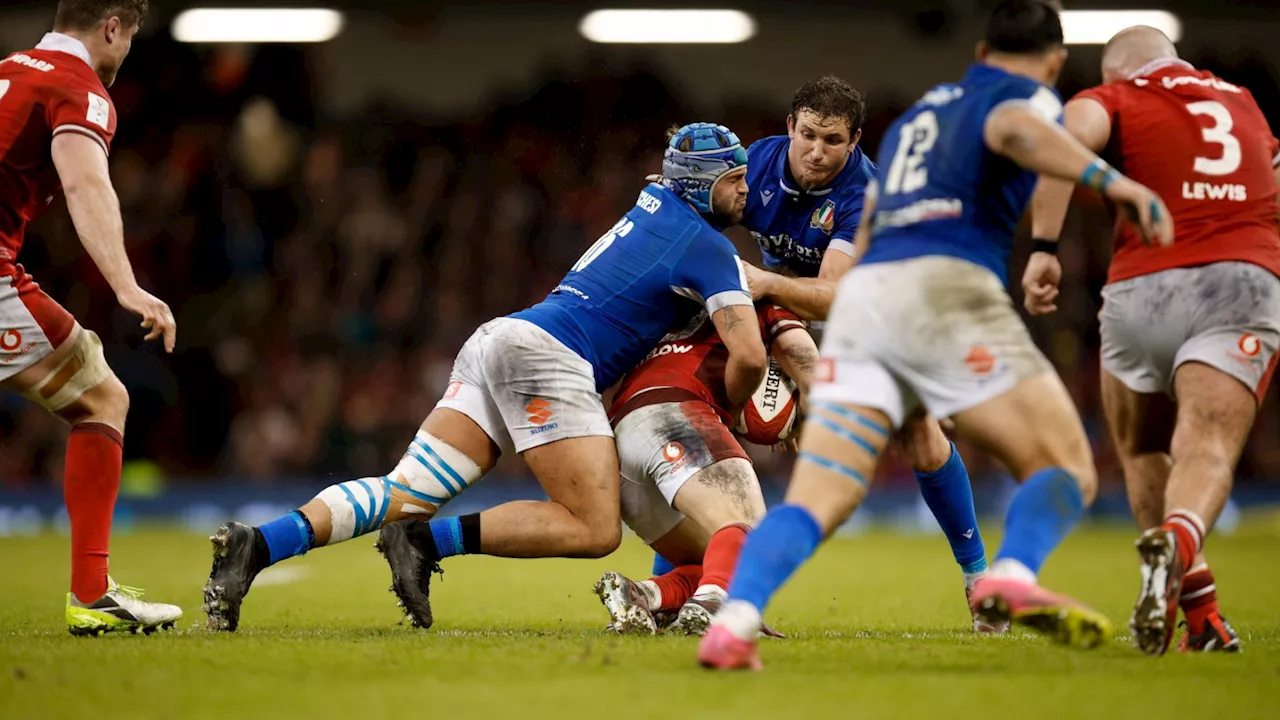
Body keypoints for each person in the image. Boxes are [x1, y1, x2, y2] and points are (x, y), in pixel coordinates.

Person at [697, 0, 1174, 671]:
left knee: (823, 490)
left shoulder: (920, 120)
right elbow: (1017, 128)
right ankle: (1008, 575)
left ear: (980, 54)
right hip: (945, 290)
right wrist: (1113, 182)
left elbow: (869, 232)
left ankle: (736, 621)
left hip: (867, 300)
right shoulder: (1021, 98)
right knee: (1066, 462)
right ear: (1056, 64)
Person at [203, 123, 768, 633]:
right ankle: (425, 541)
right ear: (698, 183)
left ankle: (257, 545)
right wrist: (736, 410)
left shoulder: (655, 203)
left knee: (407, 490)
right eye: (735, 179)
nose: (746, 190)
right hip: (551, 357)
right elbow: (748, 357)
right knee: (596, 529)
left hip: (504, 338)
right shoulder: (709, 246)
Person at [1025, 25, 1280, 656]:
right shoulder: (1243, 102)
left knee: (1141, 450)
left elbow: (1057, 142)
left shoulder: (1116, 97)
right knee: (1209, 446)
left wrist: (1043, 248)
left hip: (1144, 286)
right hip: (1240, 280)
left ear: (1119, 73)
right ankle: (1181, 539)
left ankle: (1202, 616)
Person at [738, 75, 996, 629]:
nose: (816, 151)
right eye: (807, 134)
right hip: (794, 299)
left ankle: (978, 577)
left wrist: (763, 286)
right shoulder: (757, 164)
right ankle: (689, 588)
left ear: (854, 141)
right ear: (790, 127)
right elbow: (703, 218)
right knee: (701, 405)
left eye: (833, 140)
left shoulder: (866, 197)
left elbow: (834, 297)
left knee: (921, 435)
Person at [0, 0, 181, 636]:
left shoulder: (9, 70)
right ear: (112, 27)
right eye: (129, 36)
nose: (126, 50)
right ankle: (92, 592)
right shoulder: (79, 89)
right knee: (102, 398)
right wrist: (129, 287)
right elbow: (85, 184)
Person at [594, 299, 816, 636]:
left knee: (721, 560)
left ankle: (643, 595)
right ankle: (713, 605)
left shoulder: (680, 308)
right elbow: (815, 376)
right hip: (676, 411)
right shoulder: (770, 306)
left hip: (619, 441)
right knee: (752, 537)